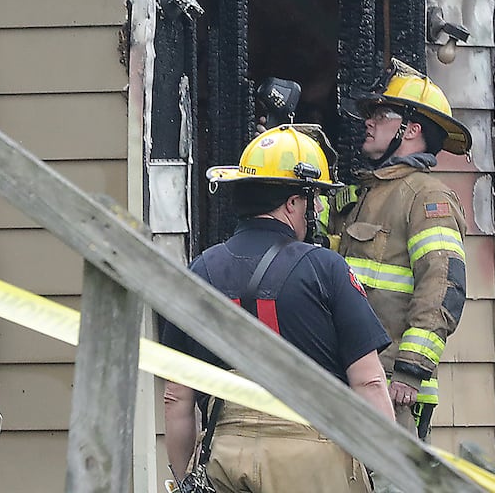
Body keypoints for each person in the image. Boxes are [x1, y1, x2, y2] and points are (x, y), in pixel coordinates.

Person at [162, 125, 396, 493]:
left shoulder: (201, 271)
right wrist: (391, 476)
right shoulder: (327, 269)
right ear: (292, 203)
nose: (317, 208)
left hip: (225, 456)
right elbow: (368, 382)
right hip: (313, 462)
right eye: (313, 198)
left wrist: (184, 478)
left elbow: (177, 397)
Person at [331, 64, 471, 438]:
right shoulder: (364, 194)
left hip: (395, 389)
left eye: (381, 115)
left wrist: (410, 370)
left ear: (411, 130)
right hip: (355, 379)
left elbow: (442, 287)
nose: (369, 122)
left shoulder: (427, 197)